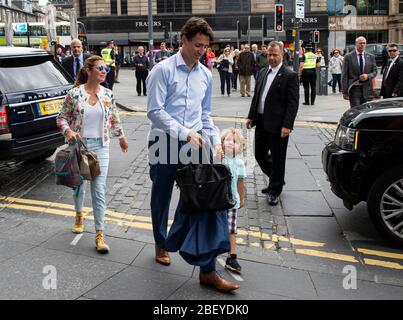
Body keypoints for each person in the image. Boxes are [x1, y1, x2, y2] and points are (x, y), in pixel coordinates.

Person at [146, 16, 239, 293]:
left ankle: (207, 270)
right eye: (197, 45)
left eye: (205, 46)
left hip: (196, 142)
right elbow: (154, 111)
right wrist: (184, 132)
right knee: (161, 196)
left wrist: (213, 140)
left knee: (205, 199)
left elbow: (205, 114)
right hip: (164, 141)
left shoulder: (206, 74)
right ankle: (161, 242)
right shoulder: (162, 70)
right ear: (183, 40)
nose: (202, 50)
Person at [56, 56, 129, 253]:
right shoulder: (74, 94)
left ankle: (100, 235)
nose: (105, 71)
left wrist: (121, 137)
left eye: (106, 68)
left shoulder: (107, 94)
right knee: (79, 187)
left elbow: (114, 118)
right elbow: (61, 118)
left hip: (101, 147)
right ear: (89, 71)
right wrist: (68, 131)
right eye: (100, 68)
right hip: (79, 146)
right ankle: (79, 214)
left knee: (99, 190)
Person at [246, 41, 299, 206]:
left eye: (275, 54)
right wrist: (251, 116)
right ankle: (277, 179)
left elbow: (293, 103)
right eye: (269, 54)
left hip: (279, 124)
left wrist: (287, 125)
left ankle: (275, 189)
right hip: (261, 121)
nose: (272, 57)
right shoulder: (262, 72)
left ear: (282, 55)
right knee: (260, 155)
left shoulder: (289, 75)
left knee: (278, 158)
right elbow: (257, 97)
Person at [220, 128, 245, 273]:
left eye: (235, 142)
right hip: (216, 202)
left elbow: (240, 183)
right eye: (228, 140)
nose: (231, 143)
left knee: (231, 230)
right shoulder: (219, 158)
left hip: (231, 202)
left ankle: (231, 256)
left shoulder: (240, 163)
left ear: (240, 147)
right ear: (222, 143)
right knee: (215, 227)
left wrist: (241, 198)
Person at [342, 36, 377, 107]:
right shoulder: (348, 57)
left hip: (367, 89)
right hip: (354, 88)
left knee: (365, 110)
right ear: (356, 44)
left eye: (364, 43)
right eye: (360, 43)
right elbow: (344, 75)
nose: (362, 45)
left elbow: (375, 71)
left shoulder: (371, 57)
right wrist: (344, 91)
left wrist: (368, 76)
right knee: (356, 109)